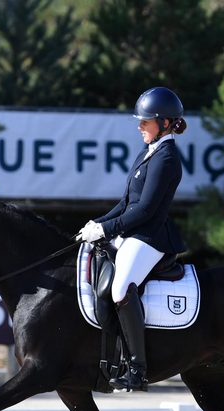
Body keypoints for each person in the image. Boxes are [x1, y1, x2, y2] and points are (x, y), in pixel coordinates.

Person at [76, 87, 188, 391]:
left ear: (165, 123)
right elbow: (126, 203)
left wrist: (107, 230)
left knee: (121, 289)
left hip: (150, 236)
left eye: (145, 121)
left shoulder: (166, 158)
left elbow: (145, 209)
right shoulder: (148, 152)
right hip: (133, 230)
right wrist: (97, 223)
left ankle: (137, 369)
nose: (140, 126)